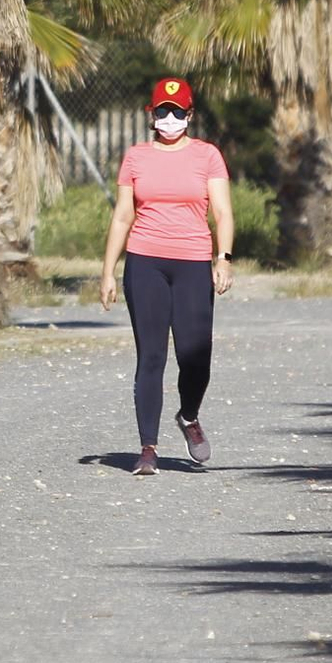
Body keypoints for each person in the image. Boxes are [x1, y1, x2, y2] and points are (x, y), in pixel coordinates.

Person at [99, 77, 234, 475]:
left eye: (178, 111)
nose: (170, 118)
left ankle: (189, 415)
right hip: (145, 262)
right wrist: (108, 271)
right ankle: (148, 448)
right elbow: (123, 215)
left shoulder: (207, 156)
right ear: (151, 114)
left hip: (193, 263)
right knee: (152, 356)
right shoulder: (136, 157)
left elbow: (223, 212)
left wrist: (223, 258)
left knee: (195, 356)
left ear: (190, 115)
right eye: (163, 111)